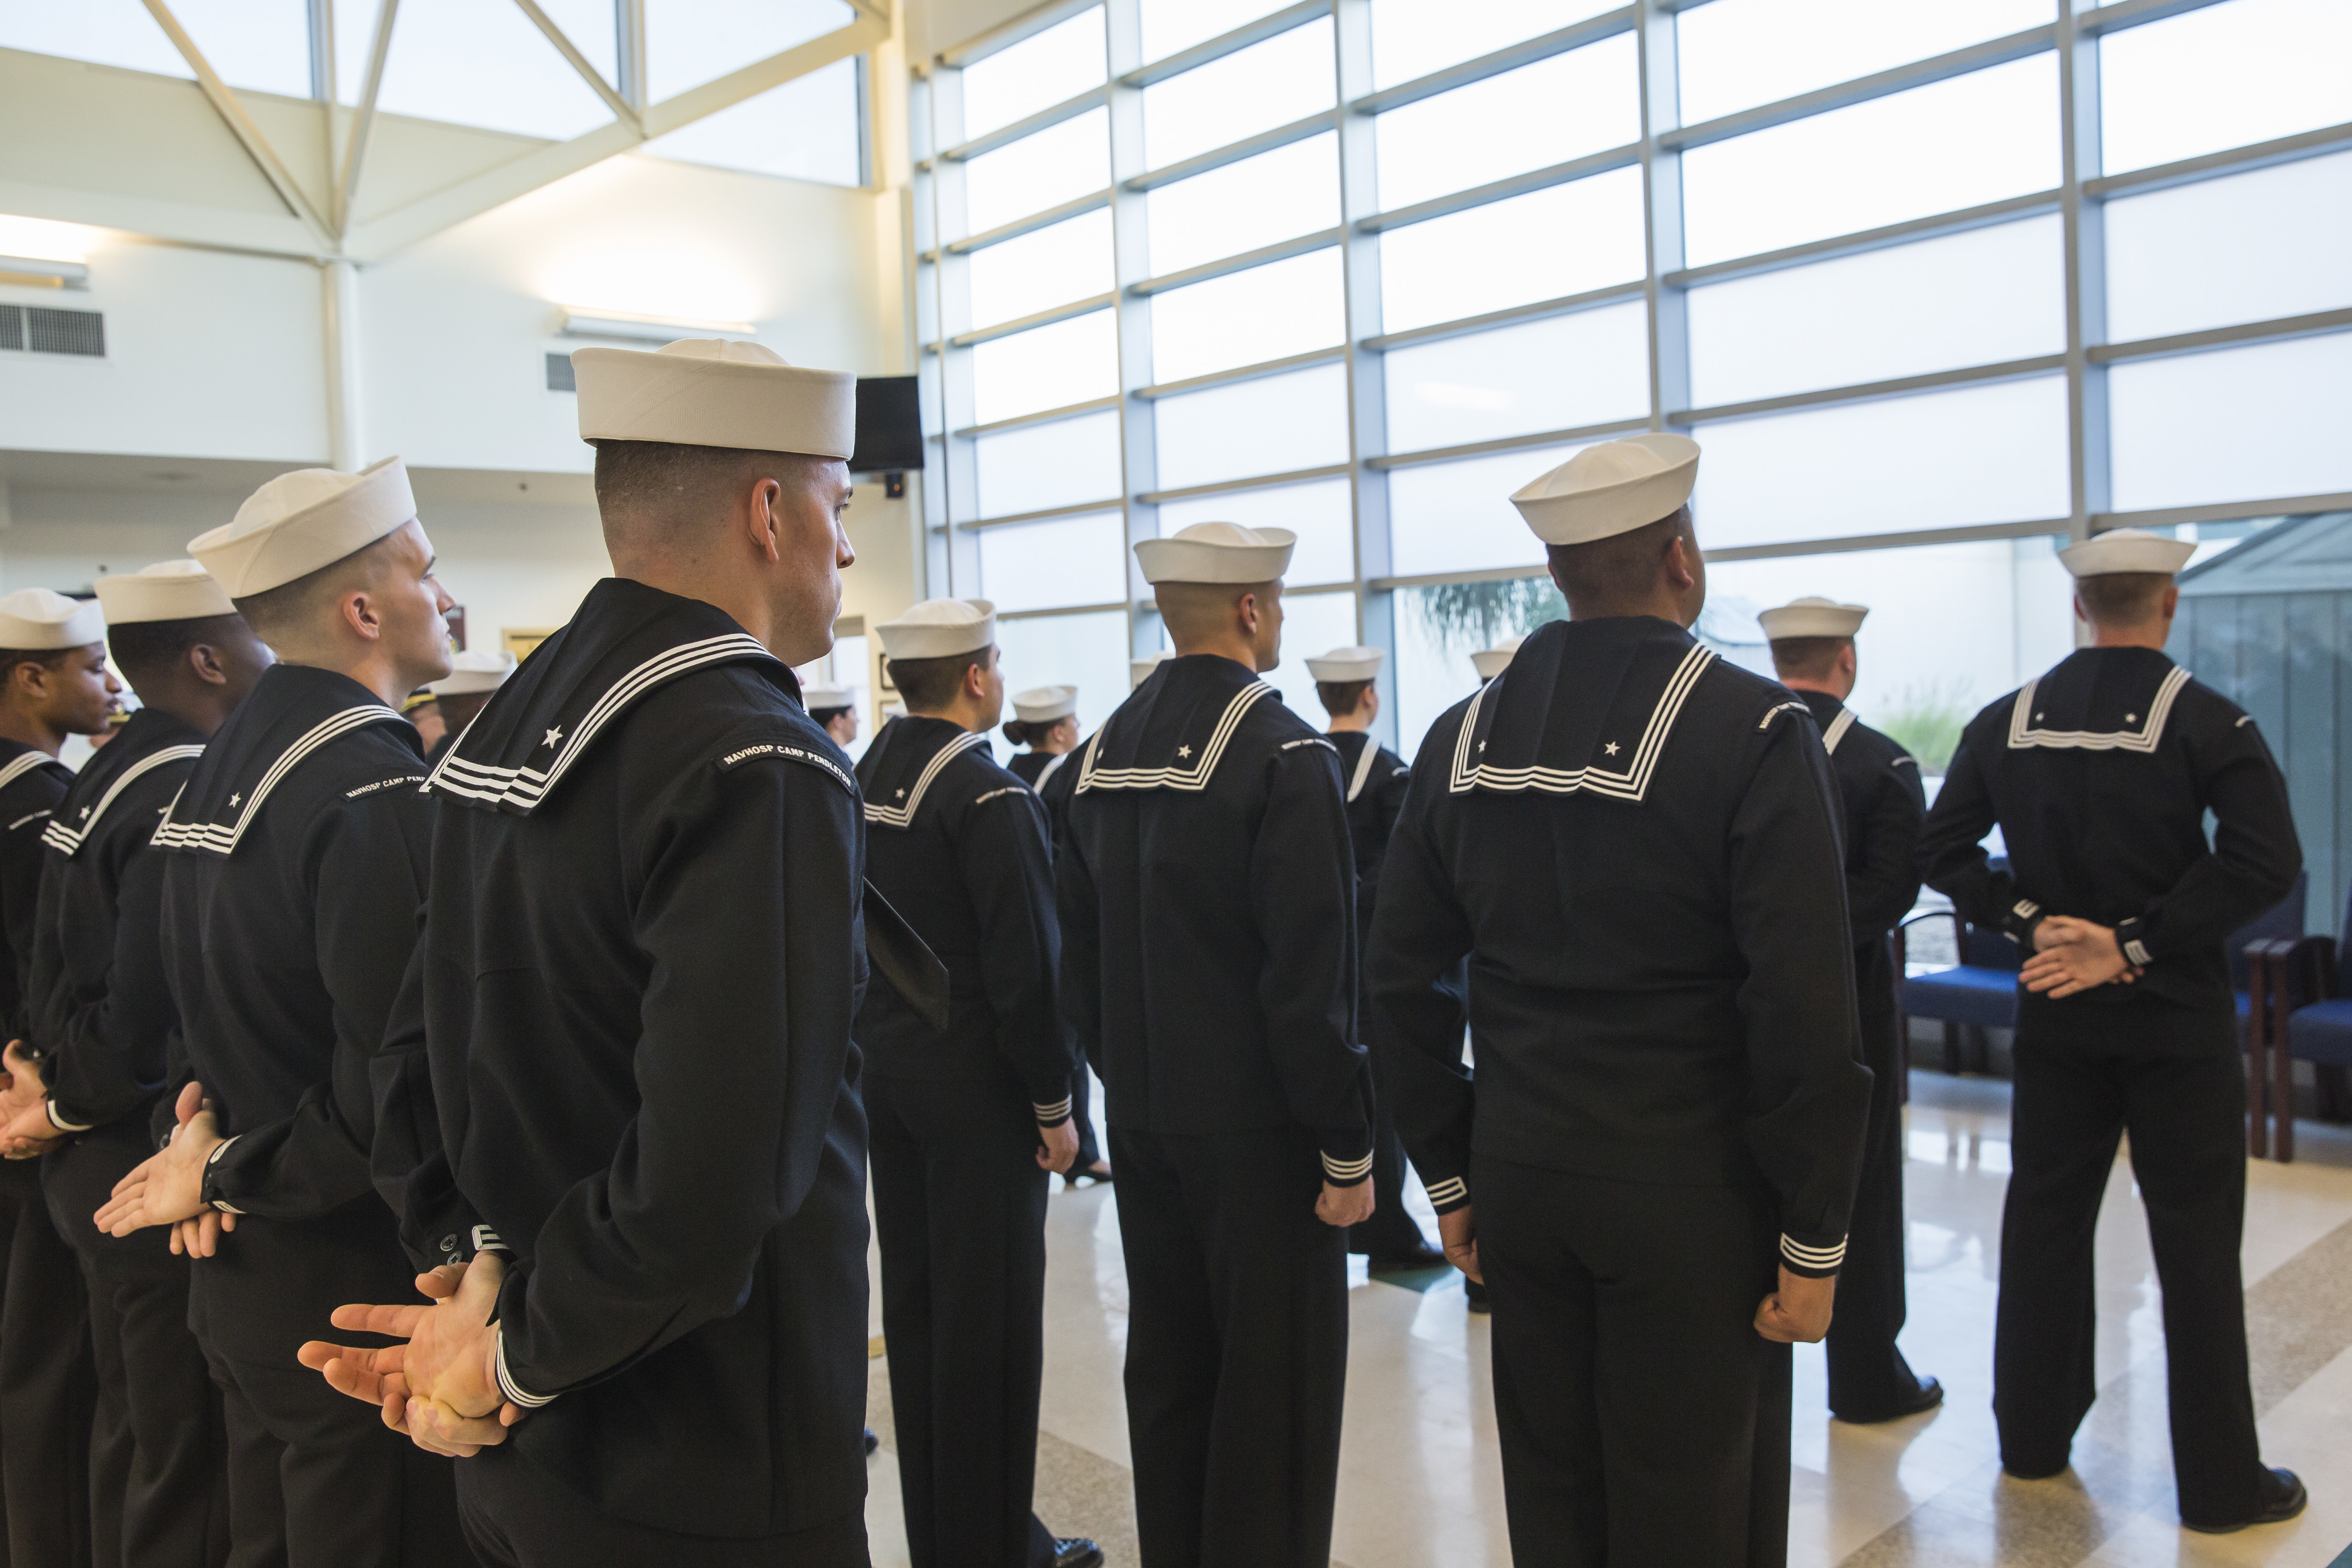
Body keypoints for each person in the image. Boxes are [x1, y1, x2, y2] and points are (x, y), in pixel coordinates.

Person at [303, 338, 876, 1567]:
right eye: (838, 504)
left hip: (534, 1459)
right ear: (769, 512)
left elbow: (408, 1057)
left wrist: (471, 1293)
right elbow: (714, 1181)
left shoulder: (501, 722)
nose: (846, 546)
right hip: (708, 1460)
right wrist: (507, 1357)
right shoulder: (756, 755)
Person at [1370, 436, 1872, 1568]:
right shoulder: (1754, 729)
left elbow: (1400, 975)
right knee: (1691, 1510)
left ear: (1556, 572)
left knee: (1554, 1496)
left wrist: (1451, 1169)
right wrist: (1814, 1232)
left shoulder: (1460, 735)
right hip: (1691, 1193)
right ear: (1680, 558)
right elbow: (1801, 1006)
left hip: (1520, 1177)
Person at [89, 457, 466, 1568]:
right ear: (364, 612)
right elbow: (396, 1084)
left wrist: (204, 1142)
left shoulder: (222, 763)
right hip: (350, 1287)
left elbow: (195, 1014)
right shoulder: (370, 782)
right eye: (425, 571)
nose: (446, 597)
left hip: (247, 1278)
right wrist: (221, 1169)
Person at [1918, 527, 2306, 1534]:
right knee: (2194, 1244)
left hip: (2055, 1013)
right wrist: (2134, 941)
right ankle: (2219, 1489)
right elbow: (2266, 861)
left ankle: (2030, 1441)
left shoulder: (2005, 721)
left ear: (2077, 606)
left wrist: (2029, 923)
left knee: (2043, 1221)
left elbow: (1940, 848)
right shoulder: (2209, 721)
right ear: (2166, 603)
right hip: (2173, 1022)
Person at [1058, 521, 1374, 1568]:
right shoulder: (1285, 754)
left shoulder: (1097, 756)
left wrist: (1126, 1077)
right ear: (1248, 608)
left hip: (1148, 1123)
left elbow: (1077, 957)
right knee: (1274, 1409)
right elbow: (1308, 983)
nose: (1277, 617)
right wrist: (1345, 1147)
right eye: (1274, 600)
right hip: (1263, 1136)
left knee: (1172, 1384)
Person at [5, 561, 272, 1568]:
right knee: (179, 1461)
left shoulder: (112, 770)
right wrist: (64, 1103)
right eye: (255, 634)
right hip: (132, 1156)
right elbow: (145, 1006)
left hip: (90, 1156)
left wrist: (49, 1082)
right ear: (209, 659)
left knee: (130, 1433)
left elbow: (49, 970)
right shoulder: (179, 783)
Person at [858, 600, 1099, 1568]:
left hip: (888, 1083)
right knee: (988, 1339)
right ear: (975, 676)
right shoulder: (986, 796)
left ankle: (945, 1541)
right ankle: (997, 1549)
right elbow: (1027, 973)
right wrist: (1056, 1106)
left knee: (919, 1324)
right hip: (977, 1099)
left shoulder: (860, 774)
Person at [1758, 596, 1943, 1425]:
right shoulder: (1882, 762)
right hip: (1852, 1005)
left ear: (1777, 662)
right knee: (1860, 1186)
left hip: (1741, 1000)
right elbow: (1893, 889)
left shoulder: (1734, 748)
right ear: (1847, 659)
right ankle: (1867, 1377)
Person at [0, 589, 119, 1566]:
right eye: (91, 667)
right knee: (50, 1376)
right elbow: (59, 980)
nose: (112, 683)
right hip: (29, 1128)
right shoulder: (38, 806)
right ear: (33, 679)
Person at [1306, 644, 1443, 1275]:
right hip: (1369, 959)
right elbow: (1402, 878)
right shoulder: (1390, 773)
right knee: (1378, 1094)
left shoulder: (1299, 764)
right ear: (1370, 694)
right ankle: (1387, 1230)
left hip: (1309, 956)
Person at [999, 685, 1110, 1185]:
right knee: (1070, 1038)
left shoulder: (1010, 769)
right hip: (1057, 915)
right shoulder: (1064, 776)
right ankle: (1082, 1149)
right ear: (1061, 731)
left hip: (1020, 914)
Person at [417, 650, 515, 769]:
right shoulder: (447, 745)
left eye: (451, 705)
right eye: (441, 703)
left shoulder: (514, 747)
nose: (443, 712)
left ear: (485, 707)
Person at [1002, 685, 1079, 788]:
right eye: (1074, 719)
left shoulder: (1013, 769)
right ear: (1059, 733)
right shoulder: (1064, 778)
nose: (1079, 725)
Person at [804, 680, 860, 750]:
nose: (858, 720)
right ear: (838, 721)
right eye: (854, 713)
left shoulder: (816, 751)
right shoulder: (836, 756)